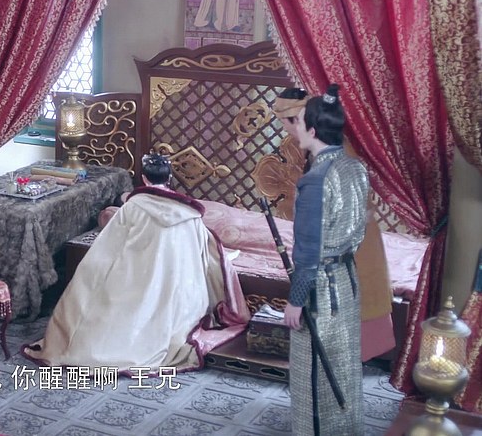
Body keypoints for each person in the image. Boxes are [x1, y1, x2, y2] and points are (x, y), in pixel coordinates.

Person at [23, 153, 249, 372]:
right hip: (177, 284)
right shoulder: (189, 213)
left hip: (135, 276)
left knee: (93, 293)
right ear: (169, 178)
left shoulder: (133, 207)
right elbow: (202, 249)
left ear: (144, 178)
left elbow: (109, 246)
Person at [274, 84, 368, 434]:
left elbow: (308, 250)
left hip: (321, 290)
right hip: (347, 280)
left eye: (299, 122)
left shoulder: (315, 181)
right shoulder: (355, 169)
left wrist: (296, 300)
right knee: (342, 364)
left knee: (314, 372)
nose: (295, 128)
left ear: (313, 130)